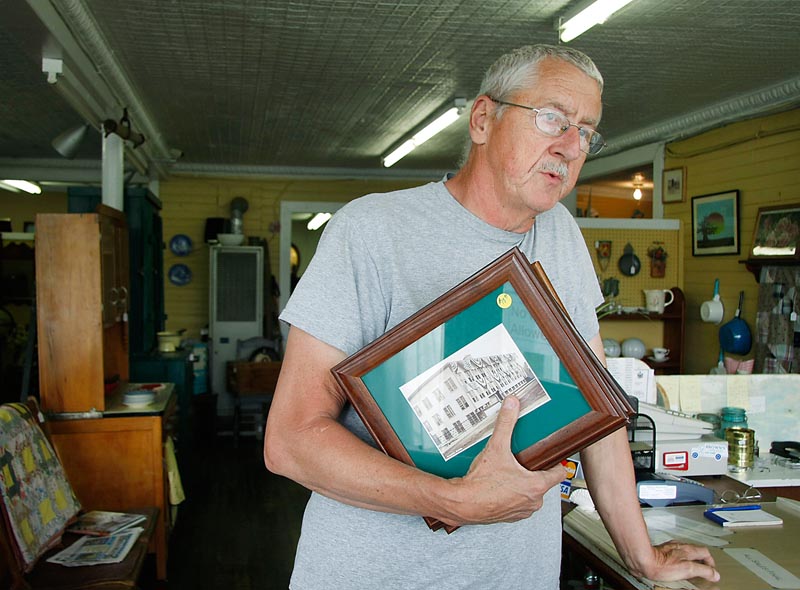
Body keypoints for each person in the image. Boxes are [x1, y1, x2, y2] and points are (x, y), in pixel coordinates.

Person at [264, 44, 720, 590]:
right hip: (377, 573)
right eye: (552, 118)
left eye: (586, 132)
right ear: (483, 119)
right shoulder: (371, 232)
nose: (570, 147)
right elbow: (290, 442)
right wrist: (453, 499)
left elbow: (598, 417)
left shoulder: (562, 237)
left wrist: (641, 556)